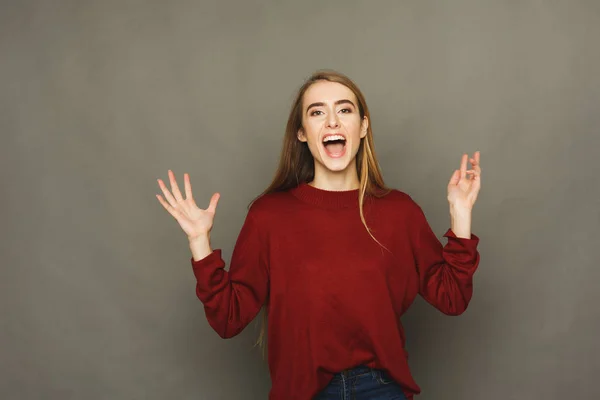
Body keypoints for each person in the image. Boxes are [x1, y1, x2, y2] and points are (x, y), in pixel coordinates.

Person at [156, 70, 482, 400]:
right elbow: (229, 319)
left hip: (381, 389)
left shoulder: (399, 211)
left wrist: (461, 213)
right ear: (302, 133)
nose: (332, 122)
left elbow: (452, 297)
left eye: (344, 110)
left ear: (363, 126)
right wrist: (199, 241)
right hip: (302, 392)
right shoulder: (269, 216)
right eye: (317, 112)